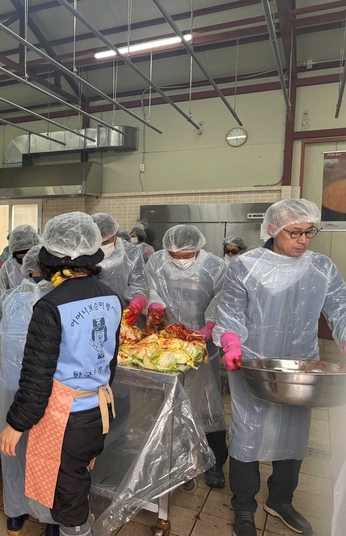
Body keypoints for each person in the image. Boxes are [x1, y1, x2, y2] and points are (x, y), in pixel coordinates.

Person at [213, 199, 346, 536]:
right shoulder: (245, 266)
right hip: (253, 363)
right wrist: (231, 343)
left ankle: (281, 500)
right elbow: (230, 313)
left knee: (293, 432)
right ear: (272, 229)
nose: (303, 240)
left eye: (309, 232)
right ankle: (244, 505)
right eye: (295, 232)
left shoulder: (322, 267)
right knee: (248, 431)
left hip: (300, 365)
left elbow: (341, 310)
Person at [0, 212, 121, 536]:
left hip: (66, 420)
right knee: (74, 482)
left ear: (49, 260)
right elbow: (110, 361)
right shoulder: (111, 297)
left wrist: (16, 424)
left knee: (69, 501)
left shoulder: (50, 305)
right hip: (98, 411)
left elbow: (36, 377)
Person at [145, 225, 229, 489]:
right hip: (169, 343)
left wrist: (209, 328)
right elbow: (151, 289)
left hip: (203, 345)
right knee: (172, 404)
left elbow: (223, 299)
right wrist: (155, 305)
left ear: (198, 248)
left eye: (186, 255)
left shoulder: (215, 266)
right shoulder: (157, 261)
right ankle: (180, 463)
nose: (179, 259)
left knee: (207, 402)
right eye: (174, 255)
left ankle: (215, 460)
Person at [0, 245, 52, 536]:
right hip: (47, 387)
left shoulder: (8, 297)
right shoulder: (58, 298)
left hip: (13, 384)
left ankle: (15, 514)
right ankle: (51, 520)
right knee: (47, 450)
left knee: (12, 446)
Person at [92, 213, 148, 326]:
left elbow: (139, 283)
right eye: (97, 243)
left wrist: (136, 303)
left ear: (115, 234)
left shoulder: (131, 252)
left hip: (123, 314)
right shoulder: (83, 252)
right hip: (89, 312)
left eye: (106, 242)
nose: (101, 246)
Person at [0, 225, 41, 296]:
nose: (25, 262)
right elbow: (1, 293)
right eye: (21, 258)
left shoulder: (44, 264)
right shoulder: (8, 267)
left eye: (28, 257)